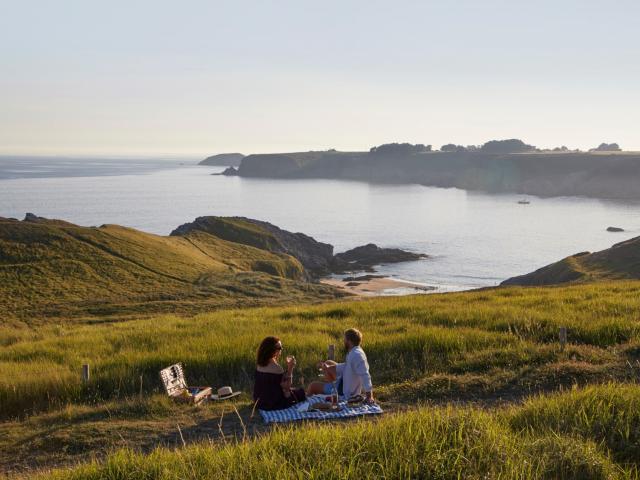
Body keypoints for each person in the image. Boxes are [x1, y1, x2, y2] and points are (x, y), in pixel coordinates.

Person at [307, 328, 374, 403]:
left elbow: (365, 375)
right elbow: (347, 366)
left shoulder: (357, 355)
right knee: (329, 362)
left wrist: (369, 396)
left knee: (312, 386)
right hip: (343, 382)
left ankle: (306, 404)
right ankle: (329, 384)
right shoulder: (354, 351)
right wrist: (329, 367)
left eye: (344, 339)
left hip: (343, 391)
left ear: (349, 341)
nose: (343, 341)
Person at [253, 336, 306, 410]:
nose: (281, 350)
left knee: (295, 391)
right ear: (272, 351)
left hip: (259, 402)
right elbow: (286, 387)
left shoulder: (259, 365)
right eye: (280, 348)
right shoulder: (277, 368)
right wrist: (290, 368)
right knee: (301, 392)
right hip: (274, 403)